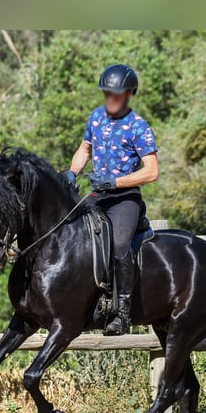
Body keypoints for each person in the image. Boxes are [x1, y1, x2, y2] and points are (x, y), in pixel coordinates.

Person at [65, 63, 159, 336]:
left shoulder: (139, 127)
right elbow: (84, 149)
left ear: (130, 93)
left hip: (125, 198)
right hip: (97, 194)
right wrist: (72, 172)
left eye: (115, 94)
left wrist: (116, 182)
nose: (110, 99)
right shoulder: (95, 117)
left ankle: (123, 312)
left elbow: (152, 172)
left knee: (119, 244)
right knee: (70, 231)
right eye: (106, 93)